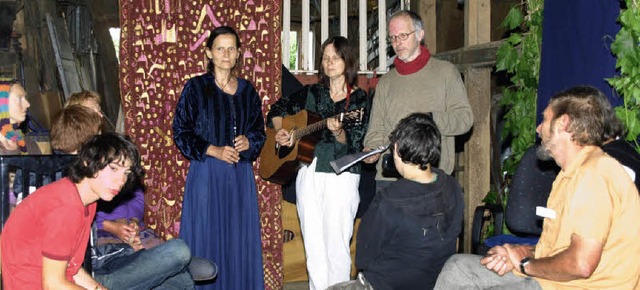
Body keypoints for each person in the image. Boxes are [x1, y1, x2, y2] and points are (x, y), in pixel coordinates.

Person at [435, 86, 640, 289]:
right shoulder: (570, 174)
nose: (538, 128)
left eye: (545, 120)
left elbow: (581, 264)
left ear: (563, 123)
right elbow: (561, 248)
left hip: (582, 286)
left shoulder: (594, 175)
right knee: (458, 268)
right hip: (556, 280)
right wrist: (520, 252)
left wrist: (526, 265)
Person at [50, 98, 216, 288]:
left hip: (121, 251)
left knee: (182, 280)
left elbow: (136, 195)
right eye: (92, 113)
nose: (100, 117)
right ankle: (170, 264)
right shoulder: (67, 187)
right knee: (179, 253)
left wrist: (133, 225)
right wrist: (114, 229)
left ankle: (166, 266)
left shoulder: (100, 173)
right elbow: (64, 269)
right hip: (101, 264)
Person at [266, 36, 371, 290]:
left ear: (347, 62)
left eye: (335, 57)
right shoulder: (312, 92)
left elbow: (354, 145)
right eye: (325, 57)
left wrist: (338, 132)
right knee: (313, 246)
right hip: (308, 171)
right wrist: (282, 131)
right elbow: (277, 109)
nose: (329, 62)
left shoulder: (357, 101)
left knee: (337, 246)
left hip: (341, 174)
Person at [173, 25, 266, 290]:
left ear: (238, 54)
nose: (226, 54)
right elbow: (181, 132)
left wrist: (250, 141)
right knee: (207, 238)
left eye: (231, 48)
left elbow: (259, 132)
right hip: (207, 176)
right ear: (209, 53)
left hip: (240, 177)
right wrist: (213, 149)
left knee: (238, 240)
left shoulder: (248, 91)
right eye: (220, 48)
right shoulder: (196, 88)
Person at [328, 113, 464, 290]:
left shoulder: (388, 201)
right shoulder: (452, 186)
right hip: (437, 281)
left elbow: (364, 258)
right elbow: (454, 238)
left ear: (397, 150)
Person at [1, 132, 143, 289]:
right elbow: (53, 285)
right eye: (114, 168)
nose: (121, 181)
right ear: (87, 162)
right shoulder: (66, 207)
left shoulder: (85, 200)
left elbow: (71, 268)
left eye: (126, 173)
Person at [363, 10, 473, 190]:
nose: (397, 43)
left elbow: (465, 119)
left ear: (420, 34)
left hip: (432, 178)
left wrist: (430, 119)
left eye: (403, 35)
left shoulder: (446, 72)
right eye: (393, 38)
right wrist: (372, 150)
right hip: (390, 179)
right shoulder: (386, 82)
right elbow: (376, 130)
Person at [0, 79, 30, 154]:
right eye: (20, 98)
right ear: (2, 104)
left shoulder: (30, 145)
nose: (28, 104)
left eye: (25, 98)